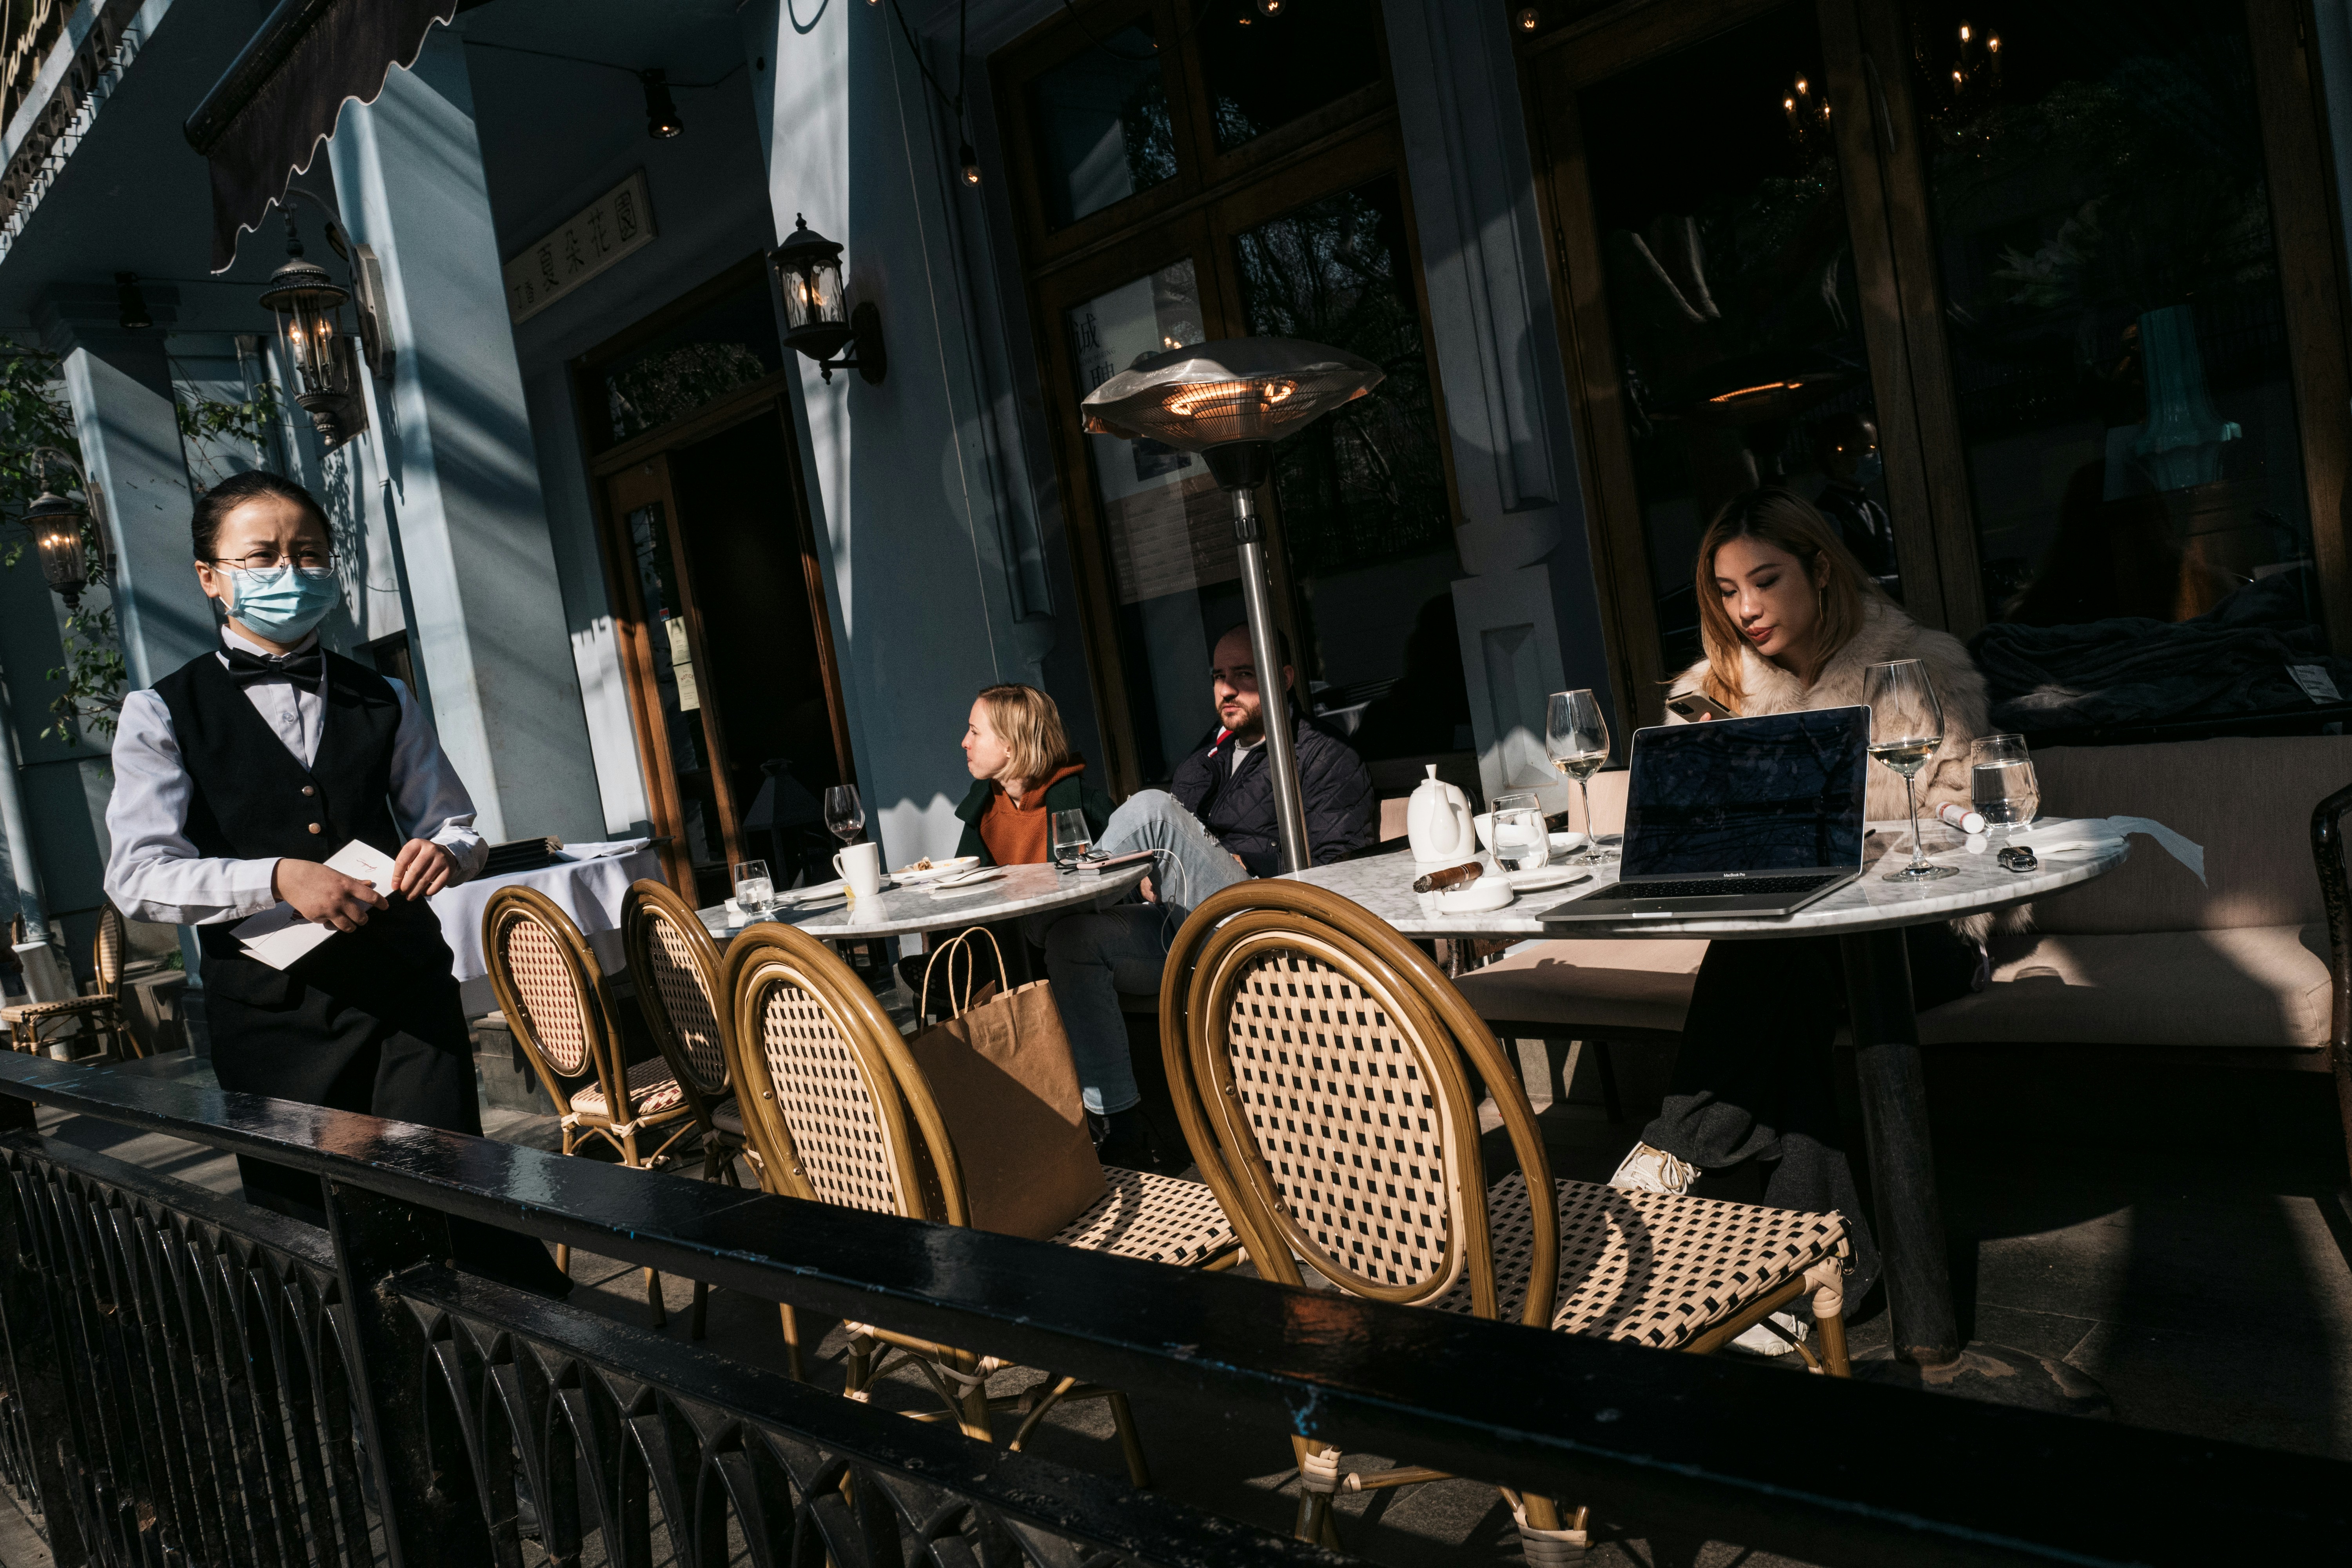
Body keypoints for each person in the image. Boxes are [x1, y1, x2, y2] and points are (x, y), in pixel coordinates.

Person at [102, 470, 568, 1297]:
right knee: (315, 1243)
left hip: (406, 1001)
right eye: (263, 555)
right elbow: (138, 874)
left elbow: (455, 822)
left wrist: (447, 854)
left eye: (308, 552)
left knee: (456, 1202)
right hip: (275, 1020)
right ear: (211, 575)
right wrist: (276, 875)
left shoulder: (382, 693)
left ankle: (501, 1395)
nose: (291, 570)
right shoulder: (161, 712)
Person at [1610, 487, 1990, 1349]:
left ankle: (1682, 1143)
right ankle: (1815, 1278)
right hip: (1797, 949)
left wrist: (1857, 844)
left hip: (1923, 937)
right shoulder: (1712, 693)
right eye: (1727, 590)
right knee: (1789, 968)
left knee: (1781, 961)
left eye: (1765, 580)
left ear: (1820, 569)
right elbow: (1688, 837)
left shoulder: (1920, 669)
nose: (1745, 609)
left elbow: (1972, 830)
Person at [1043, 622, 1374, 1170]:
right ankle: (1123, 1128)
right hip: (1183, 924)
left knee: (1150, 810)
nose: (1226, 690)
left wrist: (1256, 862)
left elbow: (1343, 869)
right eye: (1220, 676)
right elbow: (1178, 845)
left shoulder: (1324, 758)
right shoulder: (1206, 759)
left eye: (1244, 675)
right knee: (1071, 938)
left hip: (1262, 926)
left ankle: (1039, 908)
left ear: (1283, 678)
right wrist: (1151, 872)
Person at [951, 684, 1113, 866]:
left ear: (1010, 745)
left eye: (975, 732)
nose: (965, 742)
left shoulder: (1087, 804)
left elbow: (1130, 883)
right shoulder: (981, 804)